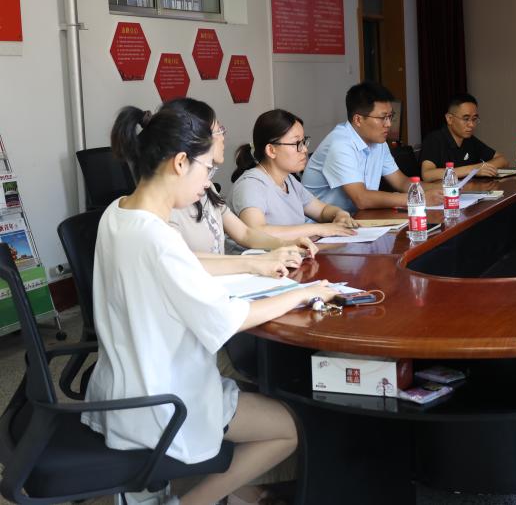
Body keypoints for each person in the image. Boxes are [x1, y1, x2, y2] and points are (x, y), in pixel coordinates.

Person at [85, 101, 339, 505]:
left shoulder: (116, 213)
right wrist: (305, 292)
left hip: (119, 388)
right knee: (288, 429)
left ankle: (220, 494)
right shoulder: (159, 239)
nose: (208, 183)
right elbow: (230, 318)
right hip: (163, 399)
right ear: (180, 163)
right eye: (206, 169)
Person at [163, 99, 317, 278]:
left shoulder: (207, 187)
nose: (223, 137)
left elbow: (245, 233)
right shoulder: (166, 206)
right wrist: (256, 262)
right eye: (218, 131)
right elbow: (184, 261)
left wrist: (286, 244)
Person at [302, 81, 442, 212]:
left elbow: (402, 182)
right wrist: (418, 198)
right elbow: (361, 198)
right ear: (358, 119)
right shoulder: (340, 144)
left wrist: (441, 188)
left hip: (355, 219)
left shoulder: (378, 142)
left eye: (390, 116)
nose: (389, 124)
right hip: (320, 225)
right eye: (382, 118)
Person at [230, 109, 359, 239]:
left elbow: (322, 211)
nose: (305, 149)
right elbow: (256, 232)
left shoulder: (289, 181)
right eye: (297, 143)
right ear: (271, 150)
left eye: (304, 141)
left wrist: (340, 214)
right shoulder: (250, 185)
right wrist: (319, 229)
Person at [419, 93, 508, 181]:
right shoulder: (434, 139)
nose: (471, 125)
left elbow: (502, 160)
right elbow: (427, 174)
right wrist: (473, 170)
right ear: (449, 119)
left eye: (474, 119)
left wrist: (483, 168)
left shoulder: (469, 140)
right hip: (443, 190)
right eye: (466, 119)